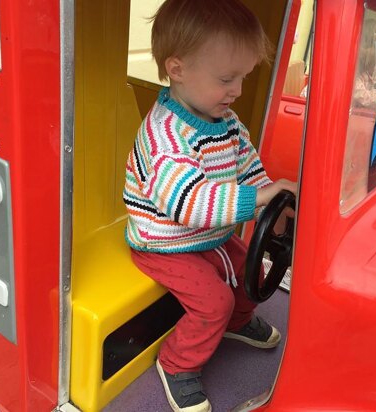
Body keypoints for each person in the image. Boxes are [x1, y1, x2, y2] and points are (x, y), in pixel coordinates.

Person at [123, 1, 297, 411]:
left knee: (250, 270)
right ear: (178, 69)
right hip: (164, 243)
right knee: (214, 302)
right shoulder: (165, 136)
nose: (236, 90)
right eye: (226, 79)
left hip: (210, 236)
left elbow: (248, 168)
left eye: (242, 77)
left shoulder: (227, 122)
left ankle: (236, 323)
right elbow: (191, 205)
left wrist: (271, 201)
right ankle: (177, 364)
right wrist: (258, 201)